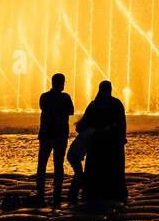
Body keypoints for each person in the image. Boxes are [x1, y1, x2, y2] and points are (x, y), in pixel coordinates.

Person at [82, 80, 127, 203]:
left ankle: (94, 191)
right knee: (113, 168)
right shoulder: (116, 103)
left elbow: (84, 122)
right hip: (113, 143)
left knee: (96, 168)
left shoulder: (94, 104)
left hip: (96, 142)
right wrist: (122, 137)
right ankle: (114, 192)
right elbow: (122, 122)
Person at [36, 73, 74, 205]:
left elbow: (43, 108)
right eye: (63, 82)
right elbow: (71, 111)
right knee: (58, 165)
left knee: (42, 164)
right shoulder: (65, 97)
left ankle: (40, 194)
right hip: (60, 135)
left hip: (46, 134)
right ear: (60, 83)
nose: (64, 85)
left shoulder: (44, 97)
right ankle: (56, 195)